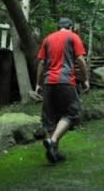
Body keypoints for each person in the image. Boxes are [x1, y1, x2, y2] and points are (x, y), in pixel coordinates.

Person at [35, 17, 90, 164]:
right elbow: (80, 59)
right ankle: (53, 141)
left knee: (51, 117)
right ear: (71, 27)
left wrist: (38, 83)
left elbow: (41, 63)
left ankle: (54, 153)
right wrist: (85, 79)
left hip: (48, 82)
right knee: (73, 113)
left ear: (58, 27)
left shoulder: (47, 39)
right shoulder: (73, 37)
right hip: (65, 81)